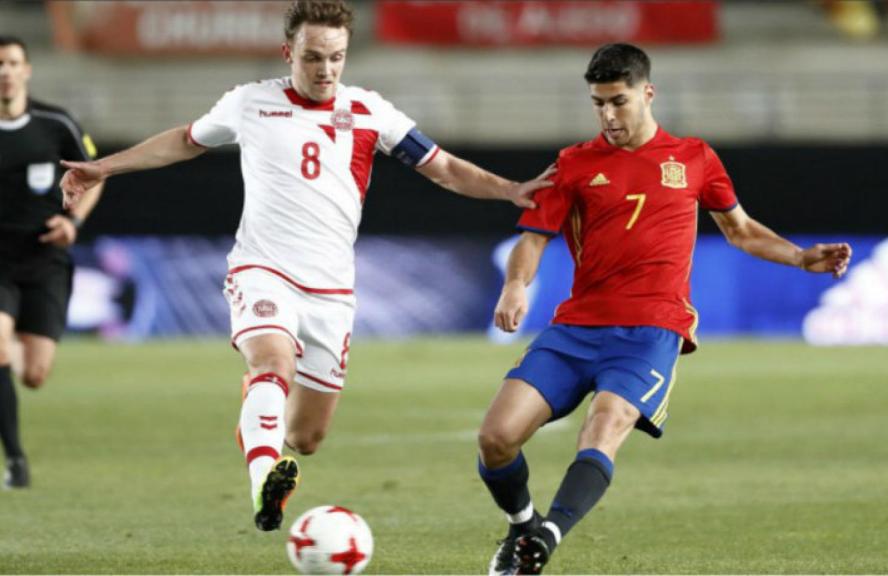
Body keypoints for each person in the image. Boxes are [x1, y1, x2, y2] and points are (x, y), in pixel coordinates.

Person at [60, 0, 551, 530]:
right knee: (272, 363)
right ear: (287, 52)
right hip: (262, 269)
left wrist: (509, 189)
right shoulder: (250, 102)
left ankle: (260, 430)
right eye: (313, 58)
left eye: (336, 58)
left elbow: (445, 169)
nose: (325, 70)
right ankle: (263, 488)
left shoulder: (369, 111)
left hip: (332, 292)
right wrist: (103, 168)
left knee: (307, 437)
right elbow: (184, 141)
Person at [478, 43, 852, 575]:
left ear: (647, 93)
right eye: (598, 103)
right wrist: (516, 284)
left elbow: (740, 230)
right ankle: (522, 528)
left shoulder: (695, 158)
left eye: (619, 101)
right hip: (577, 327)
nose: (608, 115)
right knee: (495, 438)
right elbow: (534, 238)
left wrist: (798, 256)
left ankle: (547, 540)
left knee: (605, 424)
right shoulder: (574, 164)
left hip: (651, 331)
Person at [0, 35, 103, 489]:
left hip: (45, 258)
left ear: (27, 70)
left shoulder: (54, 123)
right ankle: (17, 461)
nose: (5, 71)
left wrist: (73, 223)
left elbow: (93, 176)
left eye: (12, 63)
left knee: (35, 374)